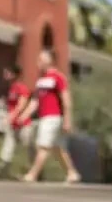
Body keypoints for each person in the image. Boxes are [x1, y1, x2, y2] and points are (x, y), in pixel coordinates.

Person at [19, 49, 81, 184]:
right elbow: (35, 101)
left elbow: (66, 99)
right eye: (38, 60)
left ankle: (32, 174)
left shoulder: (58, 77)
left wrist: (67, 119)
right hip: (44, 117)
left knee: (43, 146)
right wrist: (24, 114)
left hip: (54, 117)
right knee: (58, 148)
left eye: (41, 59)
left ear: (49, 60)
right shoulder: (40, 81)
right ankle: (72, 173)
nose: (38, 63)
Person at [0, 63, 34, 181]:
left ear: (14, 74)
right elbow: (8, 104)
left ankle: (35, 173)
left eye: (8, 72)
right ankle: (0, 174)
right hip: (12, 126)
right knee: (7, 148)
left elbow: (22, 104)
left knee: (28, 149)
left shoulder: (21, 87)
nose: (5, 74)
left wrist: (11, 116)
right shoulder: (9, 88)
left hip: (24, 125)